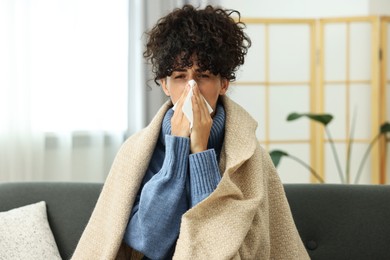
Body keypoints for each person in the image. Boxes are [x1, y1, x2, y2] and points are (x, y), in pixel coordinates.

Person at [72, 4, 309, 260]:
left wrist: (201, 153)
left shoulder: (249, 157)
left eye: (204, 75)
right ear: (164, 84)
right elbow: (150, 241)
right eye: (180, 76)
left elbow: (222, 248)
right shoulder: (138, 152)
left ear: (224, 84)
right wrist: (177, 149)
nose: (192, 87)